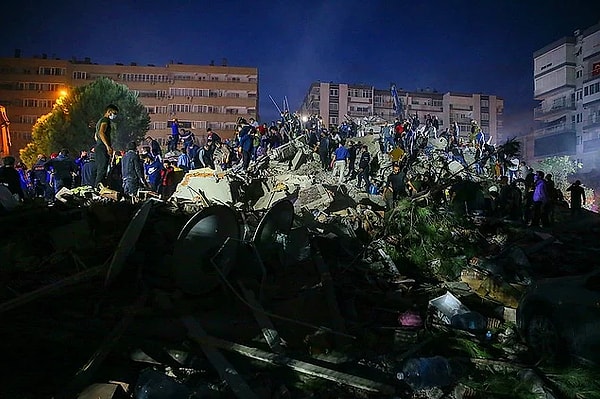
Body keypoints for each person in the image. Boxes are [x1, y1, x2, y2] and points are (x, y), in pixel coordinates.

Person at [94, 104, 119, 189]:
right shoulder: (105, 120)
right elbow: (101, 133)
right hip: (102, 147)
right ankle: (97, 188)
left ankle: (98, 187)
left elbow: (96, 135)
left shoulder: (99, 121)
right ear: (109, 112)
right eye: (114, 113)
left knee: (101, 168)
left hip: (99, 146)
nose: (114, 115)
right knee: (102, 169)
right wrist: (108, 146)